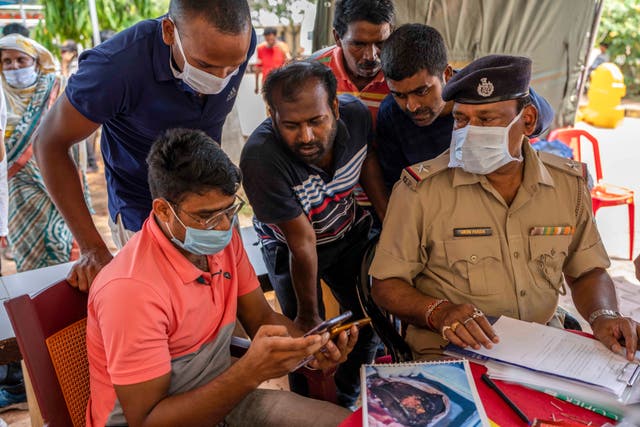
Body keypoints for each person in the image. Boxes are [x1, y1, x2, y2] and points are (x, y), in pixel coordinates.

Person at [370, 54, 640, 362]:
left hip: (545, 347)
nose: (470, 131)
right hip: (455, 355)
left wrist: (604, 315)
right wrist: (439, 312)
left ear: (526, 119)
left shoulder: (567, 184)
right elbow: (386, 285)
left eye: (485, 120)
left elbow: (587, 270)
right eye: (461, 119)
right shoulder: (421, 189)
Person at [86, 128, 355, 427]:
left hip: (223, 400)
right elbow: (149, 420)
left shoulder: (223, 239)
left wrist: (310, 351)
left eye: (229, 210)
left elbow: (261, 317)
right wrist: (249, 373)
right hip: (170, 417)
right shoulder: (131, 290)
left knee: (347, 423)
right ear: (163, 210)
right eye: (206, 217)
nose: (222, 227)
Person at [33, 0, 257, 292]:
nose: (219, 79)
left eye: (233, 67)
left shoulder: (235, 44)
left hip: (212, 206)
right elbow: (48, 144)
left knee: (227, 299)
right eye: (204, 65)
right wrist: (91, 247)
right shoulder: (116, 68)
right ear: (168, 31)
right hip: (144, 211)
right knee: (171, 311)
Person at [240, 60, 384, 407]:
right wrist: (308, 314)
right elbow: (301, 243)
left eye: (316, 121)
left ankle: (348, 399)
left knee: (368, 318)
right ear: (271, 115)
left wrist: (391, 229)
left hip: (347, 229)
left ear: (334, 107)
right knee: (305, 343)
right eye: (291, 125)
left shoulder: (358, 115)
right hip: (289, 247)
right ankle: (311, 409)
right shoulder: (260, 159)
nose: (305, 137)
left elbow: (367, 166)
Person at [377, 24, 554, 190]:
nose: (412, 106)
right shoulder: (390, 116)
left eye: (422, 91)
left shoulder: (482, 91)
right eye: (399, 95)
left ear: (446, 74)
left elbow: (542, 116)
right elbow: (397, 184)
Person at [0, 34, 82, 272]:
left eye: (21, 60)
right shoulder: (1, 96)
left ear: (35, 62)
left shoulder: (56, 89)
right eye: (7, 61)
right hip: (16, 196)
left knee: (62, 243)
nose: (14, 66)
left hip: (55, 183)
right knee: (27, 255)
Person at [313, 0, 395, 222]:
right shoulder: (313, 75)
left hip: (392, 203)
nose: (371, 55)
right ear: (337, 37)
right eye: (358, 44)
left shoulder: (403, 75)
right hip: (327, 209)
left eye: (381, 43)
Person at [254, 27, 289, 94]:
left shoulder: (282, 47)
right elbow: (257, 68)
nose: (270, 41)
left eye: (272, 39)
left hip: (280, 81)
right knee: (268, 103)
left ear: (275, 36)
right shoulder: (260, 48)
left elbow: (289, 61)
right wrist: (256, 86)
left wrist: (285, 52)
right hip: (266, 82)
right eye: (267, 39)